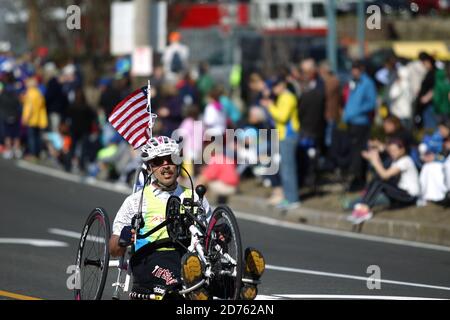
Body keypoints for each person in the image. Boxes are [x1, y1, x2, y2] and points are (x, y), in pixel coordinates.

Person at [109, 136, 265, 300]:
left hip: (190, 258)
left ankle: (244, 283)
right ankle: (193, 288)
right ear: (149, 167)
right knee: (178, 280)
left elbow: (209, 239)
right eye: (158, 162)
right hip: (151, 257)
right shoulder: (136, 201)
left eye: (171, 159)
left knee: (219, 281)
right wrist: (123, 239)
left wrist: (220, 235)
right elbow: (114, 249)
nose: (166, 166)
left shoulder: (195, 197)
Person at [347, 138, 420, 225]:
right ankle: (362, 208)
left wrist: (374, 160)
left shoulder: (406, 160)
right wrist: (375, 159)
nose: (392, 153)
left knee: (381, 183)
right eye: (391, 151)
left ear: (402, 150)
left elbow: (385, 175)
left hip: (410, 196)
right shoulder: (395, 161)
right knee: (378, 181)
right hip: (401, 193)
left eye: (395, 150)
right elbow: (381, 174)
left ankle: (364, 209)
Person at [261, 77, 300, 210]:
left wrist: (270, 106)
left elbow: (282, 117)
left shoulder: (288, 97)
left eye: (276, 86)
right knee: (285, 168)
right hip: (283, 135)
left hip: (289, 135)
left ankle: (293, 199)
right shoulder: (282, 97)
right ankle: (288, 197)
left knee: (288, 169)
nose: (274, 89)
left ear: (283, 85)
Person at [342, 61, 377, 192]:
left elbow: (371, 103)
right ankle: (355, 178)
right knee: (353, 152)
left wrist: (357, 111)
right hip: (351, 122)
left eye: (356, 69)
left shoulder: (367, 83)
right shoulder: (353, 83)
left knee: (359, 152)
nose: (353, 72)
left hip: (361, 123)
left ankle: (359, 180)